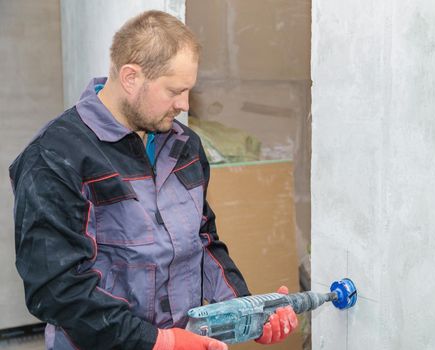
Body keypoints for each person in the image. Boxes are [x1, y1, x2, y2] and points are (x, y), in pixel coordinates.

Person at [9, 10, 297, 350]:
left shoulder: (184, 145)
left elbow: (204, 243)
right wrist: (159, 342)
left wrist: (248, 312)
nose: (184, 104)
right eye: (174, 90)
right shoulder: (55, 157)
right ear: (131, 77)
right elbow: (56, 289)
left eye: (189, 90)